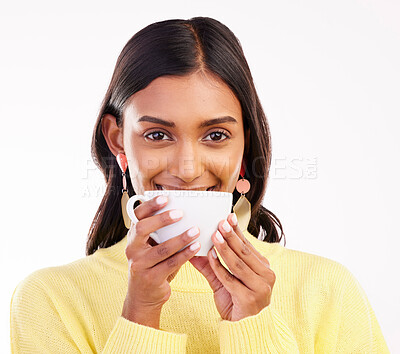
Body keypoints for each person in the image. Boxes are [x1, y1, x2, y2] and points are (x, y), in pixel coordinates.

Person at [10, 16, 389, 353]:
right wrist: (140, 317)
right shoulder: (50, 300)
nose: (188, 170)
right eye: (157, 135)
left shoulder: (328, 291)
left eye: (216, 135)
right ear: (117, 139)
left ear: (246, 146)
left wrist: (253, 328)